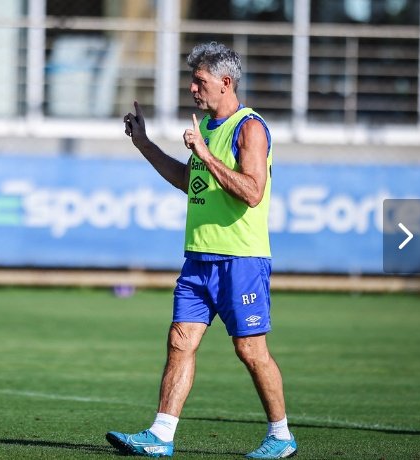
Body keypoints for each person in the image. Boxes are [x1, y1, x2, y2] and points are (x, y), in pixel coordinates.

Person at [105, 42, 297, 459]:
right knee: (179, 342)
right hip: (198, 258)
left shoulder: (249, 128)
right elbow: (186, 179)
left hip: (240, 259)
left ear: (226, 82)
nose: (192, 88)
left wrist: (206, 155)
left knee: (250, 349)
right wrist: (144, 143)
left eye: (200, 81)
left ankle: (281, 436)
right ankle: (160, 435)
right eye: (192, 80)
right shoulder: (205, 127)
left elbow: (251, 191)